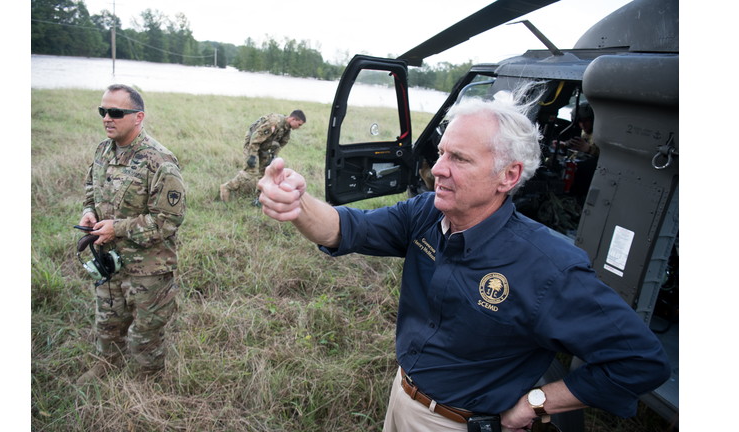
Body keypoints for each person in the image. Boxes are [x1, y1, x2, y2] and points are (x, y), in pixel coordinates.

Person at [256, 92, 670, 431]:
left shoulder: (549, 267)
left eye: (459, 159)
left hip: (460, 425)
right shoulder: (426, 214)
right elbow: (344, 229)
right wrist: (298, 202)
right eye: (441, 153)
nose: (437, 169)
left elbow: (640, 361)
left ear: (508, 176)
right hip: (402, 397)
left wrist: (534, 404)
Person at [76, 84, 186, 384]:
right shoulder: (103, 150)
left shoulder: (160, 161)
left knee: (146, 331)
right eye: (103, 111)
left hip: (147, 269)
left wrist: (117, 228)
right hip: (109, 261)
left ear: (138, 117)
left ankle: (146, 384)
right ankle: (106, 364)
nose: (107, 118)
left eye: (115, 112)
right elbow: (91, 189)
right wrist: (89, 212)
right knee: (108, 322)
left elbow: (169, 220)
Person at [219, 110, 306, 204]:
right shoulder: (275, 122)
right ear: (293, 119)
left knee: (264, 173)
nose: (299, 127)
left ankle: (259, 199)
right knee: (250, 172)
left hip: (265, 148)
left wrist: (273, 157)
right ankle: (227, 188)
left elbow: (279, 145)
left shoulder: (287, 130)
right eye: (299, 124)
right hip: (253, 145)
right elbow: (256, 137)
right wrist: (252, 155)